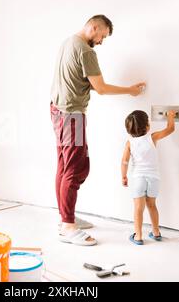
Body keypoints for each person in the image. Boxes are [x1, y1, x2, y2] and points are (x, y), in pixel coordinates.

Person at [50, 15, 146, 246]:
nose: (101, 41)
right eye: (102, 36)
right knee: (75, 169)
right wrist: (130, 91)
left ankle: (66, 217)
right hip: (72, 116)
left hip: (57, 110)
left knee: (65, 166)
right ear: (94, 27)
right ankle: (68, 227)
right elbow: (100, 88)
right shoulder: (86, 51)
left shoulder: (68, 41)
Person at [121, 110, 176, 245]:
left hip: (138, 178)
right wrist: (170, 117)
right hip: (154, 179)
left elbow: (124, 161)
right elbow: (170, 129)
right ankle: (156, 232)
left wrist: (124, 176)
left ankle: (138, 236)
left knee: (138, 208)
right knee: (152, 205)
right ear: (147, 126)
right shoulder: (152, 137)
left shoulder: (129, 143)